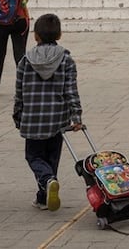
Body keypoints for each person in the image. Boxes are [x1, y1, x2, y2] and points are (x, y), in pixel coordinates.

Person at [13, 13, 83, 211]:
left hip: (33, 119)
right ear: (59, 34)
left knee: (34, 156)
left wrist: (18, 114)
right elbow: (71, 91)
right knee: (52, 158)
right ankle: (45, 192)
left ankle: (46, 185)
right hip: (57, 120)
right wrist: (76, 116)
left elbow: (19, 92)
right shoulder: (67, 61)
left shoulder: (25, 61)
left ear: (36, 36)